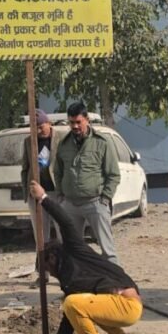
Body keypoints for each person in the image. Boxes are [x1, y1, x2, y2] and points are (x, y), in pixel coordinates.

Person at [28, 180, 142, 334]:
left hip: (126, 305)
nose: (51, 274)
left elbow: (65, 223)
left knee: (72, 303)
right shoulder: (68, 280)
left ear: (52, 258)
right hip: (118, 304)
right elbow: (68, 320)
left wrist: (43, 198)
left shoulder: (74, 249)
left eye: (47, 269)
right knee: (78, 303)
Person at [53, 102, 122, 265]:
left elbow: (113, 174)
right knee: (72, 249)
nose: (75, 126)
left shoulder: (101, 142)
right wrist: (61, 195)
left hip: (95, 203)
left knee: (108, 250)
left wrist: (105, 198)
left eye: (78, 122)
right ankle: (78, 279)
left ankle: (116, 278)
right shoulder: (64, 144)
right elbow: (58, 172)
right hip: (70, 204)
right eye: (71, 122)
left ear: (87, 120)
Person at [21, 108, 57, 247]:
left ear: (49, 123)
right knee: (41, 236)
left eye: (41, 127)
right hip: (36, 194)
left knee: (63, 231)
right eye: (35, 128)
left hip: (57, 192)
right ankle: (43, 258)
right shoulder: (28, 142)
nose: (39, 131)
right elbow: (25, 169)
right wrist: (27, 193)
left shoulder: (61, 139)